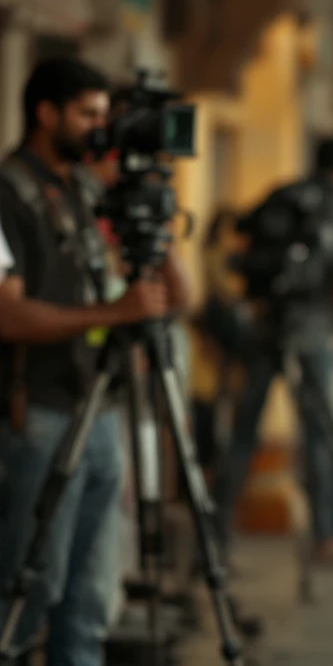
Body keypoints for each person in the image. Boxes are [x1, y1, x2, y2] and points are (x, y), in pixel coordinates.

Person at [0, 58, 189, 666]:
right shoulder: (8, 193)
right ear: (45, 113)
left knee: (90, 596)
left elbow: (173, 299)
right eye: (88, 114)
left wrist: (155, 219)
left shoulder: (85, 189)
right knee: (34, 584)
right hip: (42, 413)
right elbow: (7, 316)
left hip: (99, 409)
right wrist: (115, 314)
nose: (100, 129)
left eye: (106, 116)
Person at [217, 137, 333, 563]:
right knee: (319, 434)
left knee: (243, 432)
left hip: (266, 327)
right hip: (313, 331)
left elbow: (242, 242)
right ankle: (325, 535)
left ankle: (218, 532)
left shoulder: (282, 196)